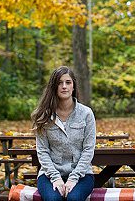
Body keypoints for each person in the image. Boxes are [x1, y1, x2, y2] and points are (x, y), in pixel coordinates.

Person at [31, 66, 96, 201]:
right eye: (60, 83)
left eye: (68, 82)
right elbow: (42, 151)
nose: (64, 86)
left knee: (74, 198)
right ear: (53, 87)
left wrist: (73, 178)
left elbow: (88, 150)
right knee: (53, 199)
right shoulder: (44, 116)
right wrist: (56, 178)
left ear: (73, 86)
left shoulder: (86, 114)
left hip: (82, 175)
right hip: (49, 175)